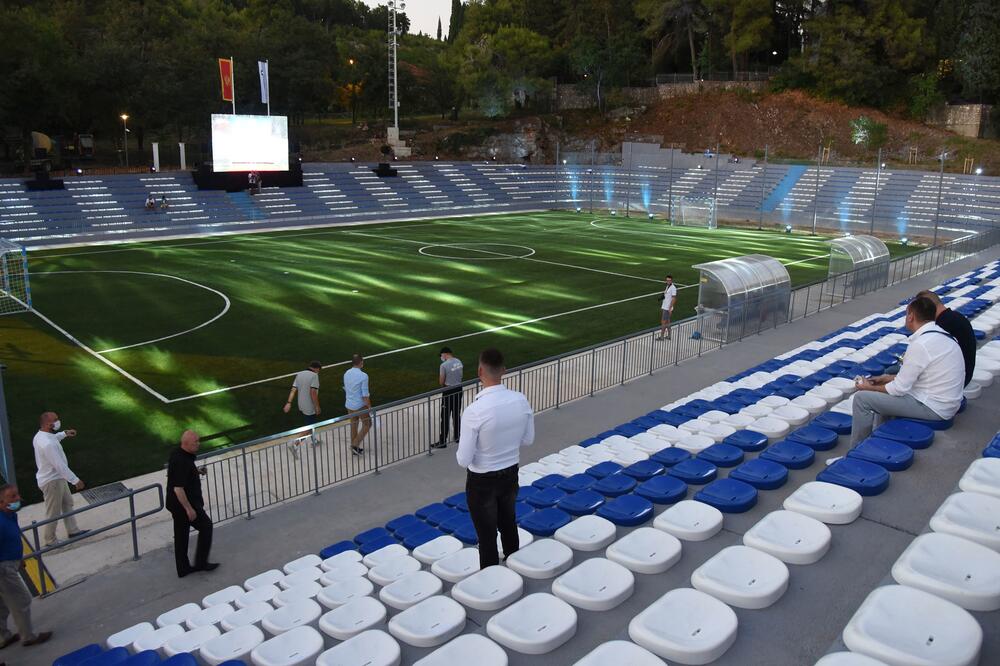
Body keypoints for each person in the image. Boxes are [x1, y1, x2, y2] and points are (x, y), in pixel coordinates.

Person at [456, 349, 535, 568]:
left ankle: (492, 581)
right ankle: (515, 566)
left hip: (482, 481)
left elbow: (463, 459)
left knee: (487, 535)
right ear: (503, 370)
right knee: (508, 523)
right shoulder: (520, 400)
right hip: (510, 473)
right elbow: (528, 439)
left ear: (480, 371)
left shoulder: (475, 411)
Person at [850, 296, 965, 445]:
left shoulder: (921, 344)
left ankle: (856, 451)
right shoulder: (943, 335)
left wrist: (868, 387)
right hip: (945, 402)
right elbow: (925, 375)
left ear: (911, 317)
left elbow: (898, 389)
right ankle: (879, 442)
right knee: (882, 396)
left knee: (862, 399)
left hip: (934, 407)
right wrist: (887, 378)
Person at [0, 485, 51, 649]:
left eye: (17, 495)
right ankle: (28, 637)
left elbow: (12, 538)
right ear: (1, 502)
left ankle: (3, 636)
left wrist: (19, 558)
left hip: (11, 563)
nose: (17, 499)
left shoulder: (10, 515)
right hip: (3, 568)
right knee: (21, 600)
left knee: (2, 604)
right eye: (12, 497)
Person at [165, 430, 218, 578]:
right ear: (186, 444)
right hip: (184, 505)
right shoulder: (182, 460)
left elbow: (183, 472)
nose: (198, 444)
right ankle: (201, 563)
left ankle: (183, 568)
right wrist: (189, 509)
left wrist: (197, 471)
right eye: (196, 442)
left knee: (181, 535)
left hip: (175, 505)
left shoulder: (179, 454)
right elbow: (178, 488)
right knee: (206, 526)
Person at [32, 412, 87, 547]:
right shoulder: (47, 444)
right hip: (52, 482)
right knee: (53, 511)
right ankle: (50, 540)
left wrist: (64, 434)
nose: (58, 421)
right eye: (55, 420)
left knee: (67, 503)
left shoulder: (41, 436)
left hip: (57, 479)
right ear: (47, 424)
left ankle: (73, 531)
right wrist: (75, 480)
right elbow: (59, 465)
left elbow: (53, 438)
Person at [915, 290, 977, 386]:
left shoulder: (943, 325)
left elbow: (928, 357)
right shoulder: (955, 316)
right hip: (963, 373)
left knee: (896, 371)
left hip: (954, 380)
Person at [433, 347, 464, 449]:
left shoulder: (444, 365)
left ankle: (443, 441)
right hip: (459, 389)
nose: (441, 357)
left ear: (445, 354)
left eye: (441, 355)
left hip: (448, 391)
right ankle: (457, 436)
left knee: (445, 416)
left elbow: (441, 382)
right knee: (456, 414)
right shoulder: (459, 361)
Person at [343, 354, 371, 455]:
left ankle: (355, 448)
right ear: (361, 363)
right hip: (359, 405)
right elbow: (365, 395)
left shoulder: (346, 373)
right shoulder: (364, 376)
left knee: (354, 424)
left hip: (349, 404)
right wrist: (369, 406)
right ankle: (355, 445)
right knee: (368, 424)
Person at [658, 275, 677, 340]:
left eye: (669, 280)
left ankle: (662, 337)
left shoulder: (673, 288)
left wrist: (669, 308)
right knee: (668, 322)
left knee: (663, 322)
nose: (668, 281)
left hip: (667, 308)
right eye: (667, 280)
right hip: (665, 307)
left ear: (671, 280)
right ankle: (669, 336)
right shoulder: (668, 286)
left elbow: (674, 299)